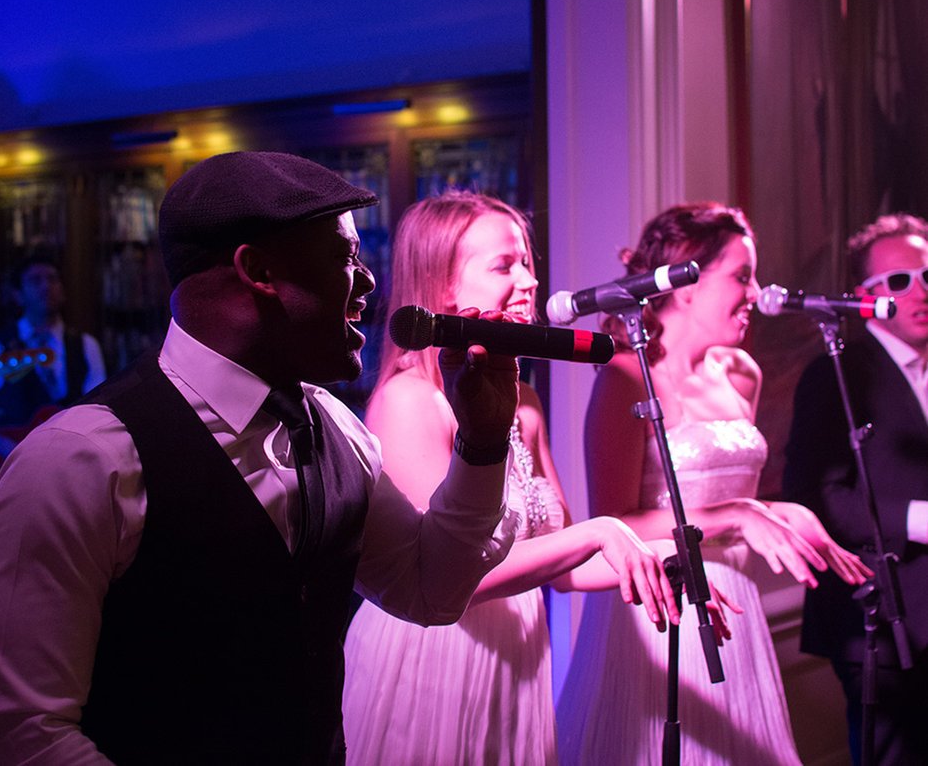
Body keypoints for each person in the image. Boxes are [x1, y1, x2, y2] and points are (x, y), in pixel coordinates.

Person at [0, 151, 524, 764]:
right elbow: (20, 733)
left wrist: (482, 441)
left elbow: (430, 589)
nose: (368, 282)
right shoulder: (79, 459)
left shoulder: (335, 427)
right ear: (258, 270)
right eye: (345, 257)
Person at [340, 191, 689, 764]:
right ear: (441, 285)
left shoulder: (523, 402)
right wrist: (600, 531)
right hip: (434, 662)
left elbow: (567, 569)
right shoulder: (410, 400)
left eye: (527, 262)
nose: (529, 281)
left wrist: (671, 560)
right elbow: (452, 579)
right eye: (504, 266)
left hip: (518, 665)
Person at [556, 202, 871, 765]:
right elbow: (613, 523)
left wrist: (783, 513)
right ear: (687, 284)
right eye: (742, 276)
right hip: (661, 612)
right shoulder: (627, 376)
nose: (755, 293)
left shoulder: (740, 373)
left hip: (736, 605)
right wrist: (738, 515)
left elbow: (726, 494)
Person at [784, 213, 928, 765]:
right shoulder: (835, 374)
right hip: (882, 620)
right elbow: (814, 498)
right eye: (899, 281)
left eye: (927, 276)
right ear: (863, 297)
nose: (919, 291)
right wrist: (917, 518)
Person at [0, 251, 106, 426]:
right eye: (35, 280)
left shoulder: (86, 344)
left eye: (52, 279)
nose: (46, 287)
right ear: (17, 294)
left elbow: (98, 409)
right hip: (13, 442)